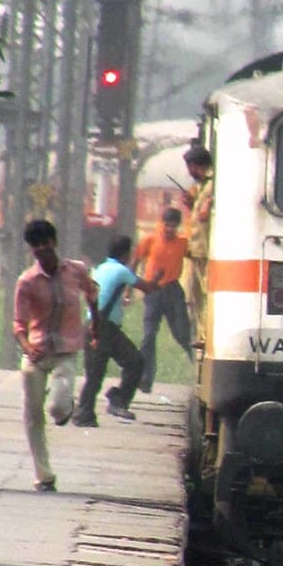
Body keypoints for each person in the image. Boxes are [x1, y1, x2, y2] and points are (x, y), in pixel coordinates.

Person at [13, 219, 99, 492]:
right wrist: (27, 347)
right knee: (33, 414)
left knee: (58, 407)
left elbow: (92, 293)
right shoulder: (26, 281)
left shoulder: (75, 271)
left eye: (46, 245)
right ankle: (44, 475)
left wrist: (95, 322)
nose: (42, 251)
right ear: (31, 250)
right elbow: (18, 324)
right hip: (37, 353)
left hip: (66, 350)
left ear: (54, 243)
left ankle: (65, 408)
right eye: (36, 248)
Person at [73, 235, 162, 427]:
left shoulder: (101, 267)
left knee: (95, 374)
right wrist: (157, 277)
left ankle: (87, 411)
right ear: (126, 254)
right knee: (135, 362)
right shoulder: (121, 271)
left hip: (92, 325)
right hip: (104, 328)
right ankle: (114, 402)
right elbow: (147, 288)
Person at [132, 206, 193, 393]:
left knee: (182, 334)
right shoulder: (150, 241)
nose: (169, 230)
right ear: (161, 223)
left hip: (174, 291)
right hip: (153, 291)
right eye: (167, 225)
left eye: (173, 226)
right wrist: (129, 288)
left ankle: (199, 369)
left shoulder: (183, 243)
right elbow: (135, 262)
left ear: (178, 227)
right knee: (149, 335)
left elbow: (197, 256)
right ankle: (145, 377)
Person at [181, 144, 213, 345]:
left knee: (207, 292)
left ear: (195, 165)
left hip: (204, 249)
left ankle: (206, 334)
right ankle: (201, 333)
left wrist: (209, 203)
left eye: (190, 167)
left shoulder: (214, 183)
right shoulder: (202, 185)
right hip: (194, 249)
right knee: (192, 294)